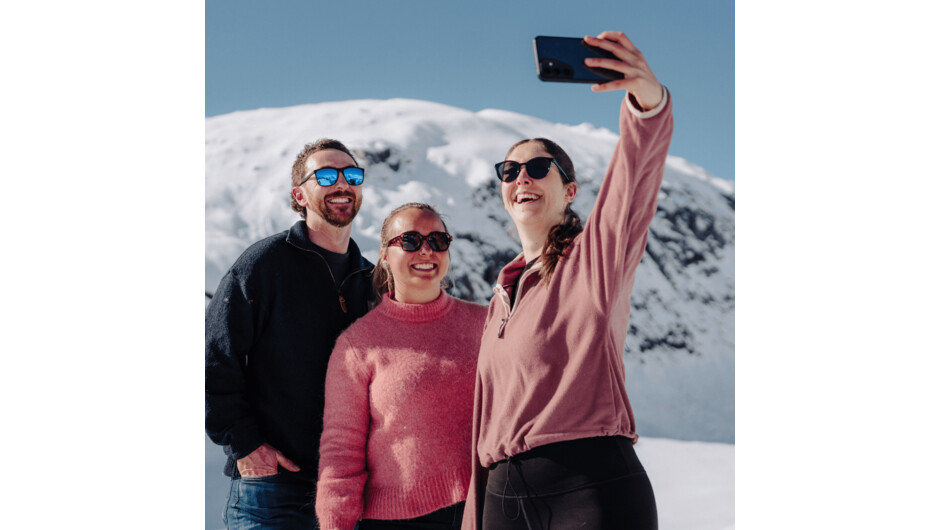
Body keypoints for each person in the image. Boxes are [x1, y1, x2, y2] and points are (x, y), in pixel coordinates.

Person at [462, 31, 674, 530]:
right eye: (509, 170)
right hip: (503, 497)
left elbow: (633, 183)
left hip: (589, 488)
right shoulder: (501, 295)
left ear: (569, 189)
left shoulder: (593, 260)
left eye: (539, 167)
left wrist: (647, 102)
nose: (522, 178)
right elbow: (485, 422)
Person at [205, 138, 375, 529]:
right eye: (327, 175)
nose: (342, 184)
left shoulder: (369, 278)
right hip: (270, 490)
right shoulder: (264, 265)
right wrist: (244, 443)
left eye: (352, 175)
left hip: (348, 492)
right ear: (299, 194)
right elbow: (215, 358)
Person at [316, 203, 487, 530]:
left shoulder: (484, 323)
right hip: (395, 521)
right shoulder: (358, 345)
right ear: (384, 254)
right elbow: (341, 454)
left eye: (438, 240)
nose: (426, 250)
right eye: (410, 241)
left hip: (483, 510)